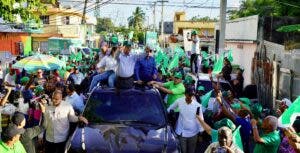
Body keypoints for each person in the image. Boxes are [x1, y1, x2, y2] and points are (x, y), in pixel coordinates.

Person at [167, 87, 203, 153]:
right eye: (189, 95)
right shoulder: (179, 101)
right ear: (185, 94)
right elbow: (170, 109)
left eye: (193, 95)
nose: (191, 97)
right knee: (182, 151)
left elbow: (201, 120)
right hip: (181, 133)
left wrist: (201, 134)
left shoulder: (198, 106)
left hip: (193, 134)